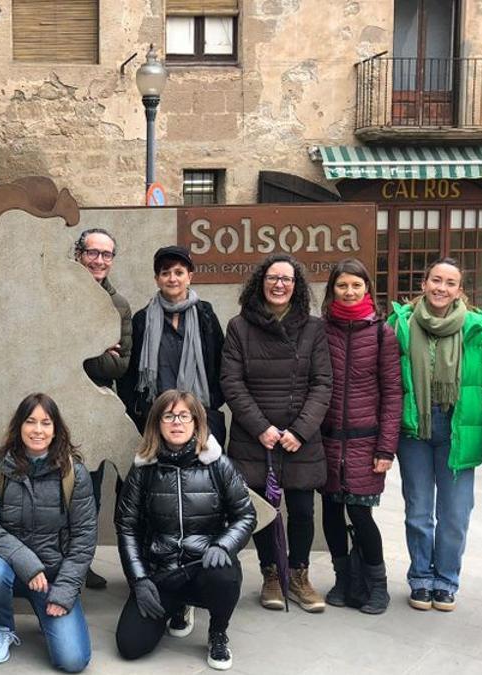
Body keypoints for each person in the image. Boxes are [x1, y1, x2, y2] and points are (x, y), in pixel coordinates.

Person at [221, 253, 332, 613]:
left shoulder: (314, 328)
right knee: (264, 511)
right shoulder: (240, 326)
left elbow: (323, 383)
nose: (279, 284)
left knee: (301, 510)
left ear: (296, 286)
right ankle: (271, 574)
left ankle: (298, 575)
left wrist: (299, 430)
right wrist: (261, 428)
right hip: (255, 438)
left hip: (300, 437)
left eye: (286, 279)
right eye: (272, 277)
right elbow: (231, 382)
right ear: (260, 282)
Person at [114, 390, 256, 671]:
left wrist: (224, 545)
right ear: (157, 423)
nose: (176, 423)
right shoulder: (143, 470)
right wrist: (139, 580)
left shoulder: (217, 464)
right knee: (130, 646)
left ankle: (217, 632)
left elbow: (245, 514)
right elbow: (126, 526)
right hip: (161, 572)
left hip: (203, 566)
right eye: (168, 416)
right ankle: (177, 607)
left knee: (224, 574)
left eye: (183, 416)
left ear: (196, 422)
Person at [387, 256, 482, 613]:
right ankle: (420, 577)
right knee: (418, 510)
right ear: (423, 284)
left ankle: (446, 580)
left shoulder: (475, 328)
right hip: (414, 428)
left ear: (459, 290)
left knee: (455, 513)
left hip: (457, 426)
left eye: (450, 283)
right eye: (436, 280)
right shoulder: (400, 323)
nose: (441, 288)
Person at [0, 393, 96, 672]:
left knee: (73, 661)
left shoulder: (73, 473)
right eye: (30, 421)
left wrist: (64, 591)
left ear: (56, 430)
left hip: (53, 577)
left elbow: (84, 538)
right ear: (19, 426)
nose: (38, 430)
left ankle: (47, 615)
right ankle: (3, 627)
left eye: (46, 423)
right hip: (9, 570)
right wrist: (26, 561)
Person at [318, 259, 401, 614]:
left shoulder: (382, 332)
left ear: (367, 288)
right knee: (332, 512)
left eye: (356, 285)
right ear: (332, 289)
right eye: (342, 286)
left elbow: (392, 392)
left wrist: (386, 447)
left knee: (361, 514)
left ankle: (377, 584)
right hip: (327, 439)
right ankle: (343, 577)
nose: (349, 292)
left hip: (367, 441)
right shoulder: (321, 330)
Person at [118, 246, 226, 447]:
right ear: (157, 279)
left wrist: (212, 400)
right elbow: (129, 372)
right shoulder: (142, 320)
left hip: (200, 417)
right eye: (165, 273)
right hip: (157, 419)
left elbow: (221, 362)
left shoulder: (206, 315)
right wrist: (139, 409)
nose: (172, 279)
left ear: (189, 276)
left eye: (179, 272)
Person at [74, 227, 133, 590]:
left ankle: (81, 563)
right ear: (78, 253)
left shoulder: (119, 306)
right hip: (51, 410)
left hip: (92, 409)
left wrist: (79, 352)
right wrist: (96, 348)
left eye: (106, 254)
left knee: (89, 493)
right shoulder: (56, 294)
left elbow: (118, 366)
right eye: (92, 252)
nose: (98, 260)